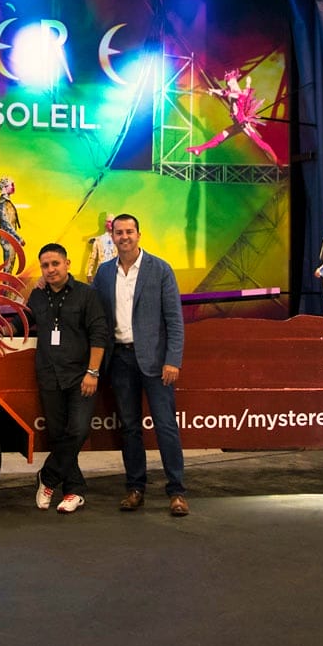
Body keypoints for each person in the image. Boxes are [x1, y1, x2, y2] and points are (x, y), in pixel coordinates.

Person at [93, 213, 188, 516]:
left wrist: (173, 360)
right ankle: (135, 489)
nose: (124, 237)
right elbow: (92, 311)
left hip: (156, 362)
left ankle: (176, 492)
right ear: (113, 237)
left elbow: (174, 320)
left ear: (139, 234)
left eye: (129, 231)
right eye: (119, 232)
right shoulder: (105, 273)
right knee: (130, 428)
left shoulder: (160, 269)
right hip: (119, 360)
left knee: (165, 427)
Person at [28, 243, 108, 514]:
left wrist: (93, 372)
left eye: (55, 264)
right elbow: (24, 324)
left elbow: (99, 334)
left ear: (67, 264)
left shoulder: (87, 295)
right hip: (49, 376)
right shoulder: (37, 296)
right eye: (45, 265)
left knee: (77, 430)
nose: (50, 270)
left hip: (80, 377)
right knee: (59, 435)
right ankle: (73, 490)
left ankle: (47, 478)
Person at [0, 176, 23, 274]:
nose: (13, 187)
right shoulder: (2, 203)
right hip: (7, 239)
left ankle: (7, 288)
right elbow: (6, 223)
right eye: (11, 185)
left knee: (10, 265)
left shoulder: (7, 202)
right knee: (8, 265)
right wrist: (18, 238)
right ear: (4, 187)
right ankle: (6, 288)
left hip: (10, 238)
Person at [83, 213, 117, 283]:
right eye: (109, 222)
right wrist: (89, 273)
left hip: (115, 272)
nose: (111, 224)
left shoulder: (118, 240)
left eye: (113, 222)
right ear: (105, 223)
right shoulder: (99, 240)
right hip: (101, 272)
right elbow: (92, 257)